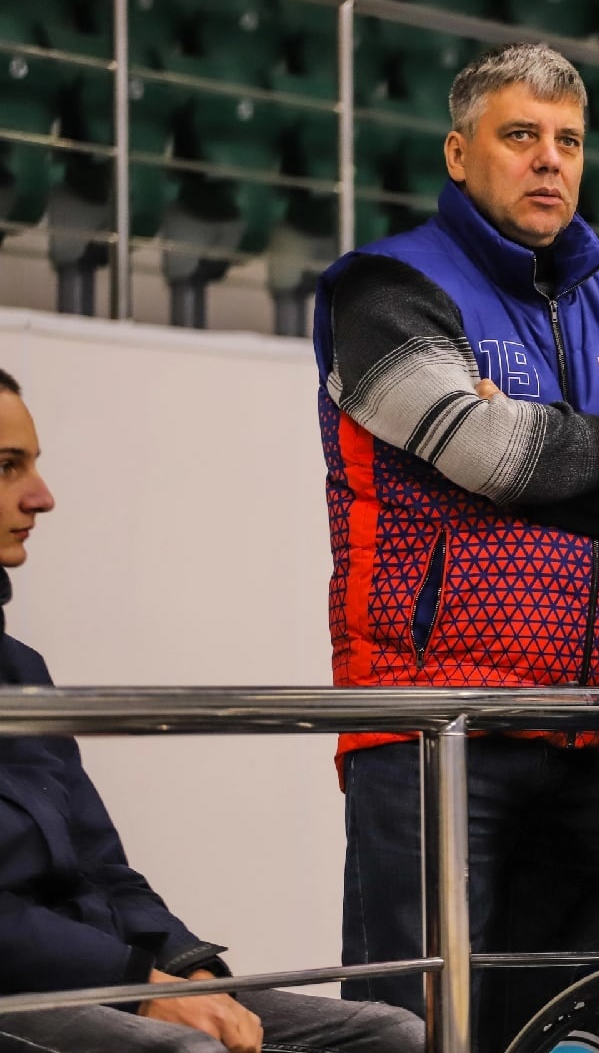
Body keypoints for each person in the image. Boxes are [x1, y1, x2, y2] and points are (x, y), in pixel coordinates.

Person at [309, 41, 599, 1051]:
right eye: (520, 135)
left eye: (569, 140)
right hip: (435, 725)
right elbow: (487, 452)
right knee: (412, 1031)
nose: (550, 158)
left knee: (567, 1032)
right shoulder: (382, 286)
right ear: (460, 154)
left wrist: (536, 450)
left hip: (594, 730)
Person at [0, 372, 425, 1053]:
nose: (41, 496)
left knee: (392, 1035)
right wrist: (137, 984)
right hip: (38, 983)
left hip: (101, 971)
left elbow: (102, 866)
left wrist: (187, 967)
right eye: (6, 467)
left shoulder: (20, 667)